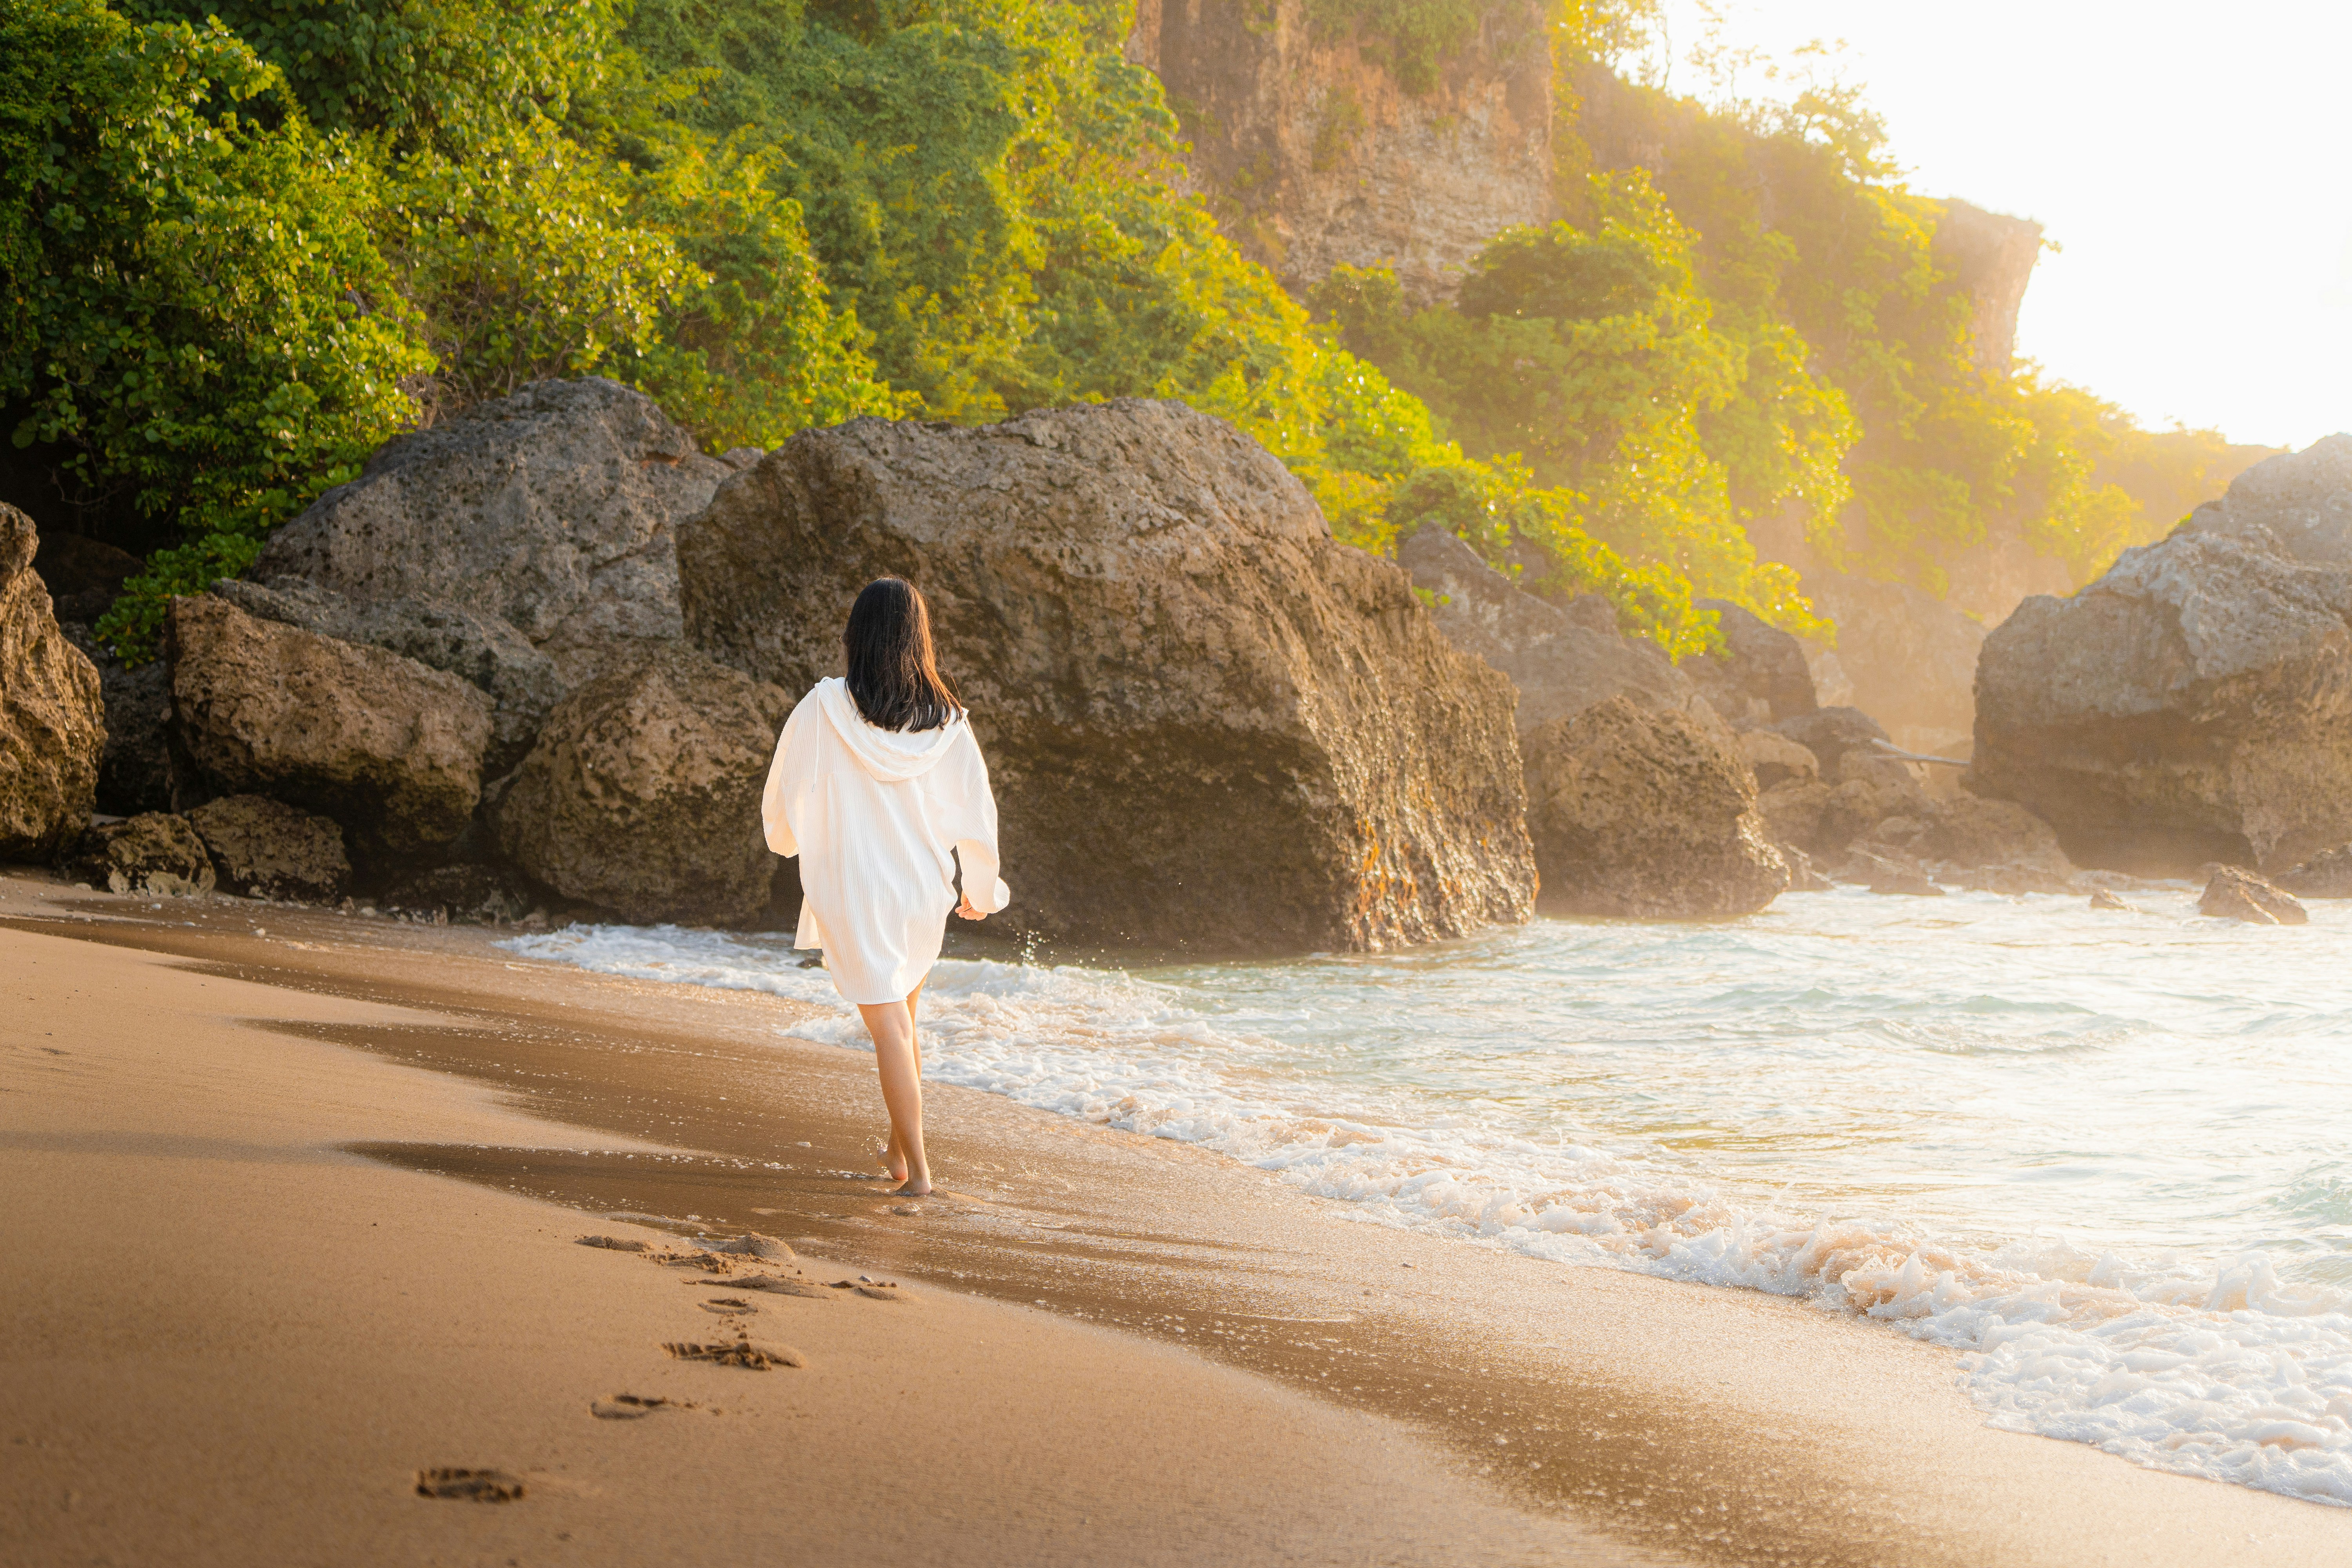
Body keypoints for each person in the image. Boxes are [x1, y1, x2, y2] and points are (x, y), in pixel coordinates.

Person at [760, 577, 1010, 1197]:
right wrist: (982, 886)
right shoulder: (948, 722)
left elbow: (785, 786)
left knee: (891, 1027)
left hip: (854, 887)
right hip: (922, 886)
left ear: (856, 636)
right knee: (905, 1019)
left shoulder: (821, 707)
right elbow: (977, 813)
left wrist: (788, 839)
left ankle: (920, 1173)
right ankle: (900, 1157)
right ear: (918, 640)